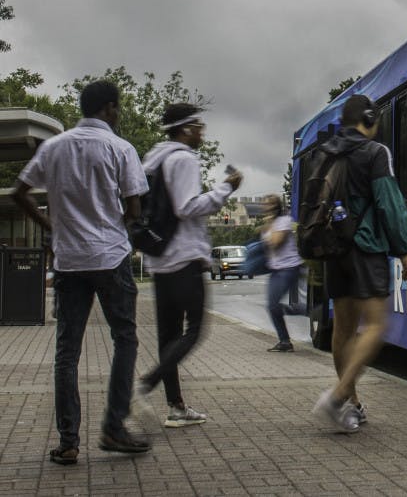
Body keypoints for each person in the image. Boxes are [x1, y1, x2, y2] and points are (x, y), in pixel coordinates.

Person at [13, 80, 150, 464]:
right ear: (108, 108)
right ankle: (113, 426)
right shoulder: (121, 148)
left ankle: (69, 441)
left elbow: (19, 192)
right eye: (118, 108)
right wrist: (113, 225)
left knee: (66, 352)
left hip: (69, 261)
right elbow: (135, 209)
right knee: (125, 338)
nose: (118, 114)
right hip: (110, 257)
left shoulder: (53, 148)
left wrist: (51, 228)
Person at [312, 94, 407, 433]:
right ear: (369, 118)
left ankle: (353, 405)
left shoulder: (326, 153)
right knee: (376, 326)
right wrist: (405, 250)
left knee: (342, 330)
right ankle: (338, 396)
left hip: (334, 249)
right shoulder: (375, 153)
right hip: (365, 247)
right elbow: (389, 204)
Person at [135, 103, 242, 428]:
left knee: (169, 336)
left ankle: (176, 407)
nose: (201, 131)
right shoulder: (183, 158)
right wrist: (226, 188)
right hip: (184, 257)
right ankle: (145, 385)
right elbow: (186, 207)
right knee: (194, 330)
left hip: (160, 258)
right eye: (198, 126)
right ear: (184, 128)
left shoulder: (154, 158)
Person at [260, 193, 307, 352]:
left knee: (273, 305)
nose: (265, 208)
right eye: (264, 205)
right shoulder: (271, 223)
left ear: (276, 206)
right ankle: (285, 341)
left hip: (289, 268)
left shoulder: (284, 221)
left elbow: (275, 243)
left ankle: (308, 310)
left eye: (268, 205)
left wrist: (268, 226)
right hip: (276, 269)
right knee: (272, 306)